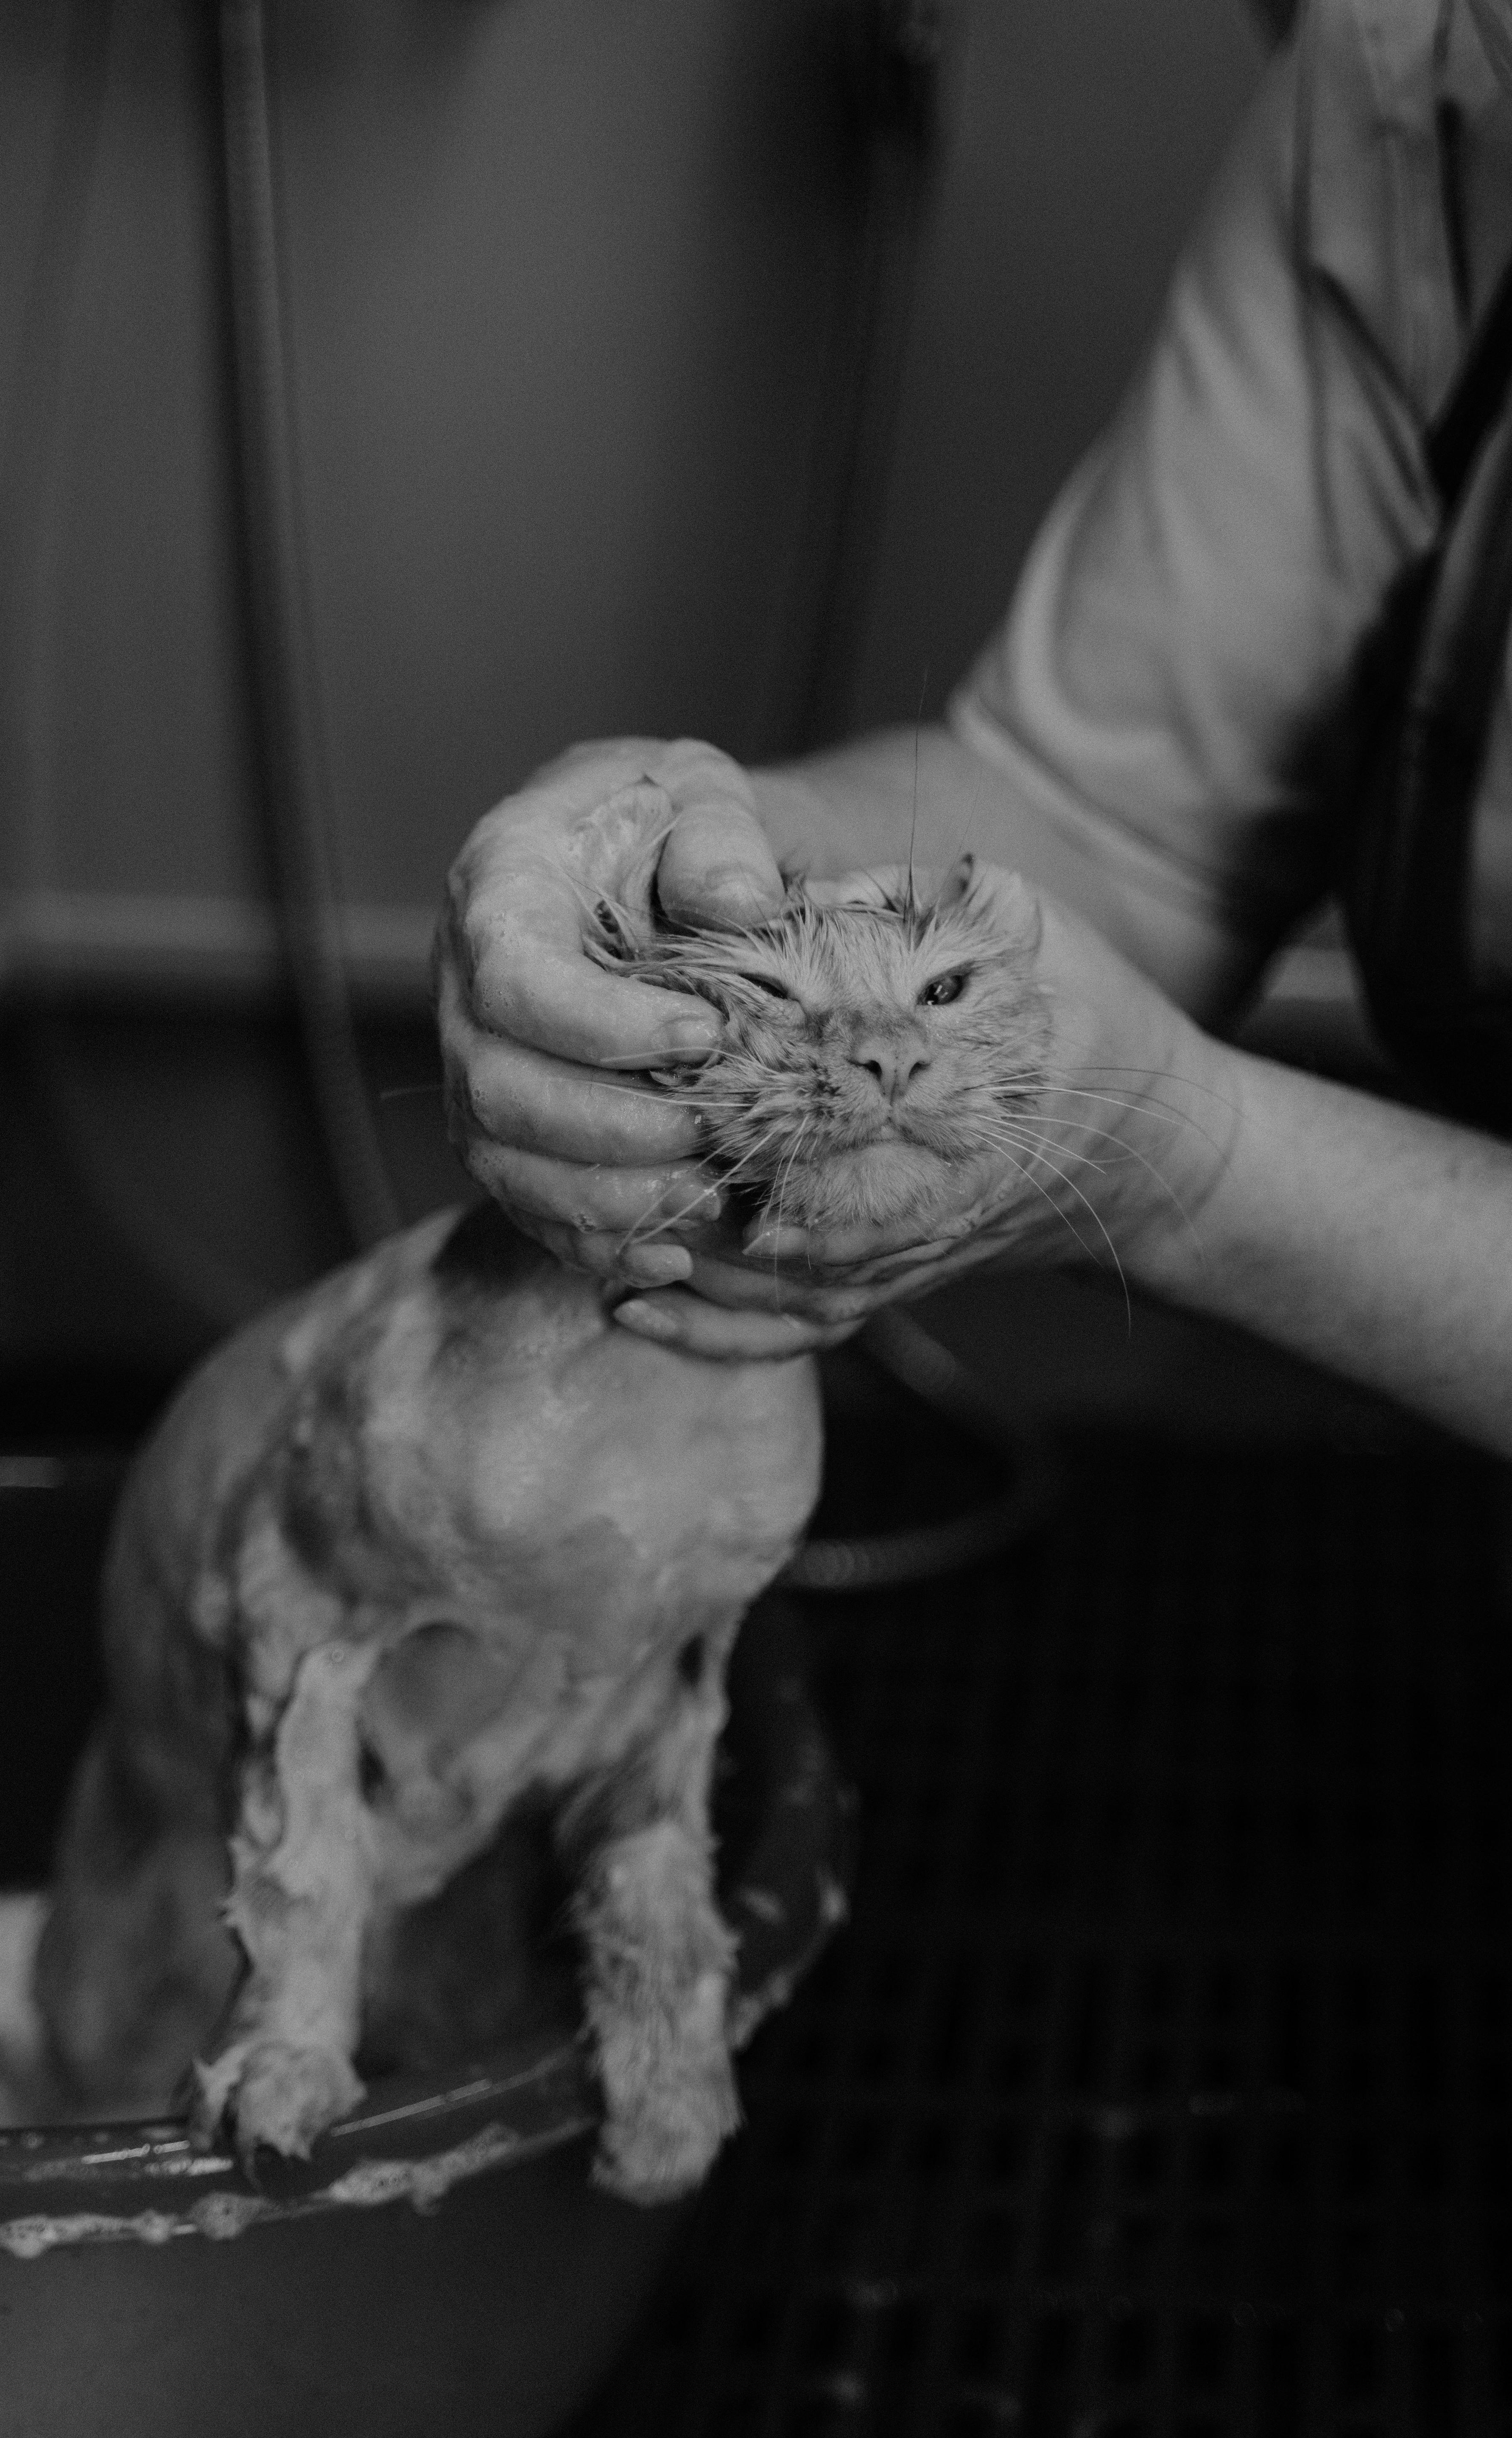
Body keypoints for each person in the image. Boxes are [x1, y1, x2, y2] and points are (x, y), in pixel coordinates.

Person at [434, 0, 1512, 1458]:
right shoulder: (1413, 76)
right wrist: (702, 840)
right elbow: (1102, 823)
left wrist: (1193, 1169)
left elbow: (1162, 1118)